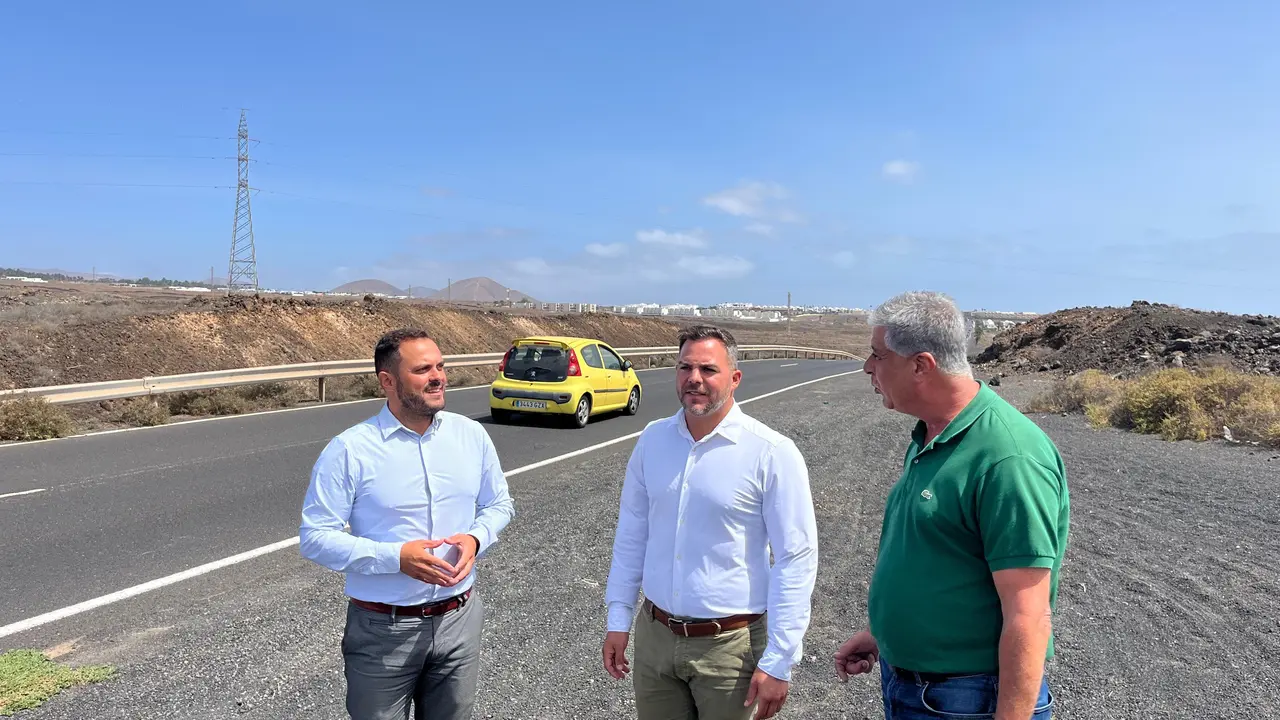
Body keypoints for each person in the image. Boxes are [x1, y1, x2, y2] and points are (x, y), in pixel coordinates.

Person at [834, 291, 1070, 719]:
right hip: (920, 688)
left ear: (921, 365)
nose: (868, 366)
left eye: (878, 355)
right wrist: (882, 634)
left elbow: (1029, 614)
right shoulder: (933, 434)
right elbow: (938, 555)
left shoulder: (1008, 457)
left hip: (968, 699)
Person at [603, 324, 819, 720]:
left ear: (735, 378)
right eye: (685, 367)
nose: (694, 379)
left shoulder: (771, 452)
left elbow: (795, 558)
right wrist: (618, 619)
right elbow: (633, 533)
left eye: (708, 369)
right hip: (655, 637)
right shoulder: (653, 440)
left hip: (730, 649)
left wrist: (780, 659)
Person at [300, 328, 515, 720]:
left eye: (440, 366)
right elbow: (315, 537)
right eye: (422, 370)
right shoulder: (350, 450)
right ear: (388, 381)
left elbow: (499, 503)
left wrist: (475, 538)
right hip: (383, 630)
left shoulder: (471, 435)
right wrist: (396, 558)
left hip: (459, 620)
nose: (438, 377)